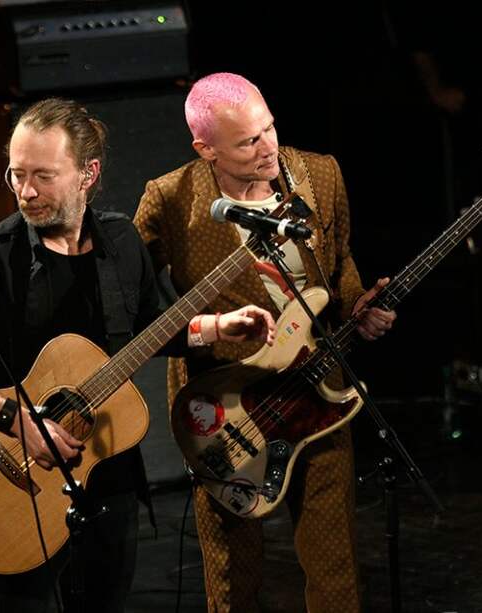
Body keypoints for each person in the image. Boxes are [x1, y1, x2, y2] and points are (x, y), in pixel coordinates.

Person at [0, 97, 276, 613]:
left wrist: (216, 327)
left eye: (43, 175)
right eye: (16, 175)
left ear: (88, 173)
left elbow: (149, 328)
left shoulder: (120, 241)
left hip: (105, 475)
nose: (26, 191)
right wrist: (18, 421)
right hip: (16, 482)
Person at [133, 72, 396, 612]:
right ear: (205, 149)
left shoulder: (319, 175)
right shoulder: (169, 199)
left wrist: (358, 306)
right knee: (233, 568)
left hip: (318, 388)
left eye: (269, 128)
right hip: (226, 406)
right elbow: (128, 307)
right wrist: (206, 328)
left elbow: (339, 264)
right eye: (249, 141)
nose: (268, 147)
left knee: (334, 555)